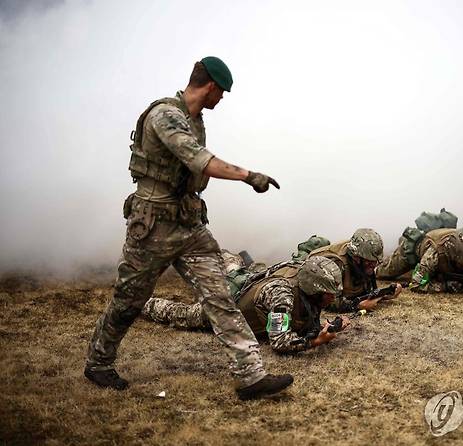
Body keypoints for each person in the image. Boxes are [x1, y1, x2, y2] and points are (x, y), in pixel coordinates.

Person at [85, 56, 292, 400]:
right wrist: (248, 176)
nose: (222, 99)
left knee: (220, 297)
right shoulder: (165, 116)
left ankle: (251, 377)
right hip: (152, 226)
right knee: (129, 300)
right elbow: (201, 161)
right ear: (210, 86)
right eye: (221, 92)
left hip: (189, 226)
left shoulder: (195, 121)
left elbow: (196, 174)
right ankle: (98, 362)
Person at [143, 256, 350, 353]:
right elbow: (279, 342)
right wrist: (316, 341)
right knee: (181, 314)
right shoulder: (282, 297)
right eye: (329, 293)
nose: (333, 298)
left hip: (246, 286)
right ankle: (141, 303)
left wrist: (324, 327)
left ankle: (230, 260)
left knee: (232, 267)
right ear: (314, 288)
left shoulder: (306, 288)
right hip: (223, 309)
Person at [377, 227, 463, 296]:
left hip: (439, 259)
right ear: (453, 252)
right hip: (414, 250)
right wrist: (445, 286)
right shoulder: (435, 252)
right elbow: (417, 284)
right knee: (383, 272)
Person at [308, 228, 402, 312]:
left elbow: (367, 292)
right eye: (369, 262)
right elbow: (328, 302)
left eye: (375, 261)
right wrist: (357, 306)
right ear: (356, 257)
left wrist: (384, 294)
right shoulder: (336, 264)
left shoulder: (363, 259)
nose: (373, 265)